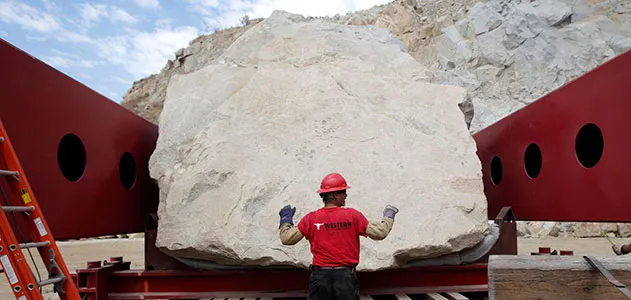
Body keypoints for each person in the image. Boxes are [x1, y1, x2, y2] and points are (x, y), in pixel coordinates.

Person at [277, 172, 399, 300]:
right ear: (335, 194)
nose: (346, 195)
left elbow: (287, 239)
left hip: (320, 277)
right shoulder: (353, 216)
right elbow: (380, 233)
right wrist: (389, 215)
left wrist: (285, 219)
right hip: (345, 277)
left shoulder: (311, 218)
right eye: (343, 192)